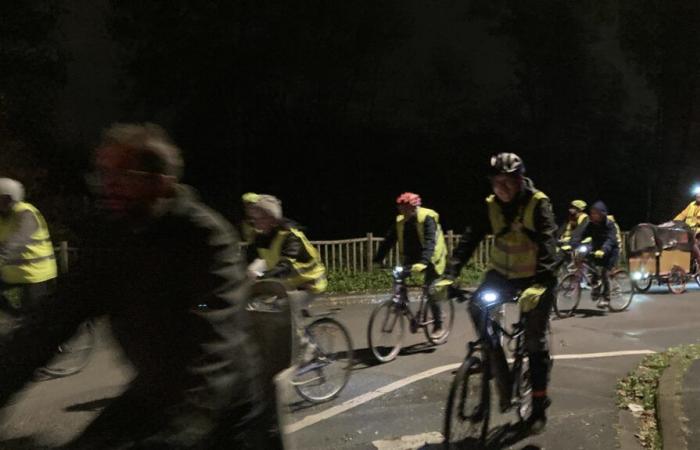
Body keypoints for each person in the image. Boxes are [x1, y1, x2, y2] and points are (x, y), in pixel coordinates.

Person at [0, 123, 282, 449]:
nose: (108, 187)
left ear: (162, 183)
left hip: (224, 407)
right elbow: (53, 320)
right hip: (154, 392)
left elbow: (213, 343)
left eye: (123, 176)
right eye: (103, 175)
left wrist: (174, 436)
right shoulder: (111, 237)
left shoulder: (205, 237)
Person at [441, 153, 557, 432]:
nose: (502, 188)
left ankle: (539, 406)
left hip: (535, 277)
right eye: (497, 182)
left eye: (508, 182)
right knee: (475, 307)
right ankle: (496, 362)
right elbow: (470, 239)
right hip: (502, 276)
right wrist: (450, 274)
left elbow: (549, 242)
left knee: (534, 342)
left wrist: (541, 283)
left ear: (519, 181)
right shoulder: (490, 206)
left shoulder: (537, 203)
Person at [373, 192, 448, 339]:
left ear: (414, 207)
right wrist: (378, 259)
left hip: (432, 258)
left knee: (431, 290)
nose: (403, 212)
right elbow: (389, 240)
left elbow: (430, 241)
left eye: (406, 209)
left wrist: (424, 262)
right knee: (398, 277)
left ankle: (438, 324)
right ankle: (403, 306)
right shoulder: (401, 222)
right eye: (400, 209)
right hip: (412, 258)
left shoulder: (427, 218)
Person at [0, 178, 57, 315]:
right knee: (21, 315)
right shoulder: (2, 216)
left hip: (36, 274)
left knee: (34, 316)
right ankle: (13, 319)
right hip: (14, 273)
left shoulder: (26, 214)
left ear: (10, 198)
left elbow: (17, 242)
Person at [570, 201, 619, 309]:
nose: (593, 215)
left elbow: (610, 240)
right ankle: (596, 285)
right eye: (592, 213)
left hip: (610, 251)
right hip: (596, 249)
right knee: (588, 263)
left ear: (602, 214)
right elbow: (581, 235)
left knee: (604, 272)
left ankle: (606, 298)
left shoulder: (609, 224)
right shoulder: (591, 224)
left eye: (596, 213)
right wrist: (571, 244)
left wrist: (604, 250)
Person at [673, 187, 700, 268]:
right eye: (697, 195)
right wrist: (673, 222)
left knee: (695, 243)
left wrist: (697, 222)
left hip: (698, 231)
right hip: (688, 231)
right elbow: (682, 215)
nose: (698, 196)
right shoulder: (692, 204)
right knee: (676, 243)